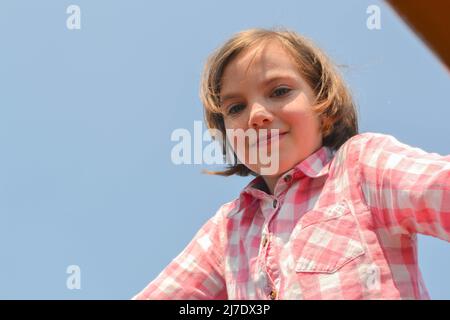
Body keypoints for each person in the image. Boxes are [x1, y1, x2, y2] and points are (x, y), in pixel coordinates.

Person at [133, 28, 450, 300]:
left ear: (325, 109)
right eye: (235, 107)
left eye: (279, 91)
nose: (256, 114)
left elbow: (439, 188)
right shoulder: (228, 228)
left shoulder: (361, 166)